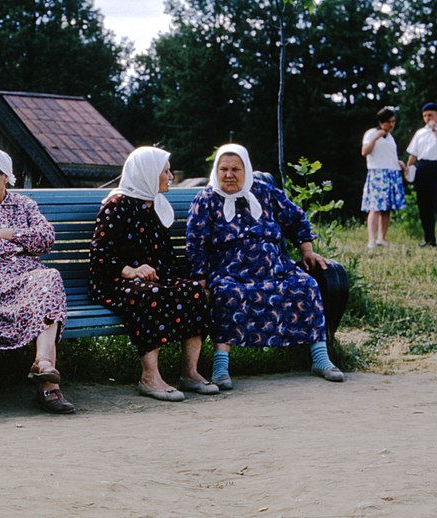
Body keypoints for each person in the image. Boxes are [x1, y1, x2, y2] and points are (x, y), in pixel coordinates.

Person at [186, 143, 344, 390]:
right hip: (230, 272)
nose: (229, 174)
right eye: (223, 169)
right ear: (216, 171)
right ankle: (221, 366)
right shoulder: (206, 199)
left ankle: (320, 359)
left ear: (246, 170)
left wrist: (307, 252)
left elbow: (296, 217)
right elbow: (195, 241)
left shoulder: (264, 192)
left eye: (235, 169)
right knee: (226, 294)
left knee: (306, 285)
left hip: (276, 270)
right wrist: (200, 278)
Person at [89, 146, 216, 402]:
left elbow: (165, 257)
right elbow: (100, 254)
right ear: (147, 174)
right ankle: (149, 377)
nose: (170, 177)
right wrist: (131, 271)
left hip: (152, 280)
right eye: (165, 171)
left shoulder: (156, 204)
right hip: (115, 281)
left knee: (193, 291)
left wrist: (179, 281)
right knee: (150, 295)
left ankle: (190, 372)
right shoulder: (116, 206)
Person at [0, 148, 75, 414]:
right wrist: (23, 245)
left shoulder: (25, 204)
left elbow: (46, 238)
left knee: (50, 280)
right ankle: (49, 389)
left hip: (28, 283)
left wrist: (7, 234)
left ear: (5, 177)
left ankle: (44, 366)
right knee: (47, 285)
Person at [360, 107, 407, 248]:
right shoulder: (371, 133)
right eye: (389, 122)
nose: (392, 125)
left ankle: (382, 239)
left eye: (393, 121)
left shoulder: (391, 138)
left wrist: (399, 163)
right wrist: (376, 137)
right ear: (381, 122)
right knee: (375, 208)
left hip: (391, 173)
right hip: (377, 174)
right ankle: (371, 240)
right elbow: (365, 152)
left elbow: (389, 156)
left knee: (386, 209)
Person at [405, 101, 437, 248]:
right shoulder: (420, 133)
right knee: (424, 205)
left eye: (430, 115)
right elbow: (414, 154)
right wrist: (408, 167)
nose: (427, 118)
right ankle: (429, 239)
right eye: (424, 116)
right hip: (423, 168)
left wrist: (434, 129)